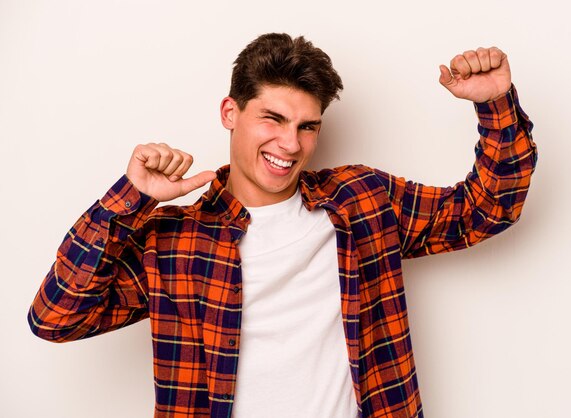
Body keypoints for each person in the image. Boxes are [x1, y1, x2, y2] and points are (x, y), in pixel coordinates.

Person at [28, 33, 537, 418]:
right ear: (231, 112)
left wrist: (494, 104)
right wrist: (131, 199)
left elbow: (486, 210)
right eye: (272, 119)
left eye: (307, 126)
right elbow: (55, 319)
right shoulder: (174, 240)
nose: (290, 145)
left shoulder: (361, 200)